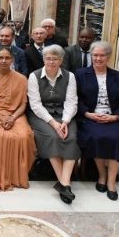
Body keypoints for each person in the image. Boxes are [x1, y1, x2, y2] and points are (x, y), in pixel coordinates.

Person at [76, 41, 119, 201]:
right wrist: (87, 114)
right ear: (91, 56)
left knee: (115, 138)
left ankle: (112, 182)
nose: (98, 58)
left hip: (112, 118)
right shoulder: (80, 74)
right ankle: (102, 175)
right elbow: (76, 99)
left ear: (108, 57)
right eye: (95, 55)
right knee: (96, 137)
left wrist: (115, 117)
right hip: (91, 118)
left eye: (102, 55)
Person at [27, 45, 80, 204]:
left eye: (55, 58)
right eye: (48, 58)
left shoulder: (69, 76)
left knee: (71, 137)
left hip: (64, 114)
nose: (51, 61)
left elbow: (72, 102)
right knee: (51, 136)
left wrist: (65, 121)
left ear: (61, 60)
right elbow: (35, 105)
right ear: (43, 59)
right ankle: (65, 183)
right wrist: (53, 123)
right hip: (42, 116)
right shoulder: (34, 76)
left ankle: (63, 184)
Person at [0, 46, 36, 191]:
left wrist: (12, 118)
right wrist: (1, 117)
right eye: (1, 58)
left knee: (25, 136)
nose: (4, 61)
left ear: (12, 60)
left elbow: (23, 103)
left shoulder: (21, 78)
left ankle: (17, 177)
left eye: (7, 58)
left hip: (16, 114)